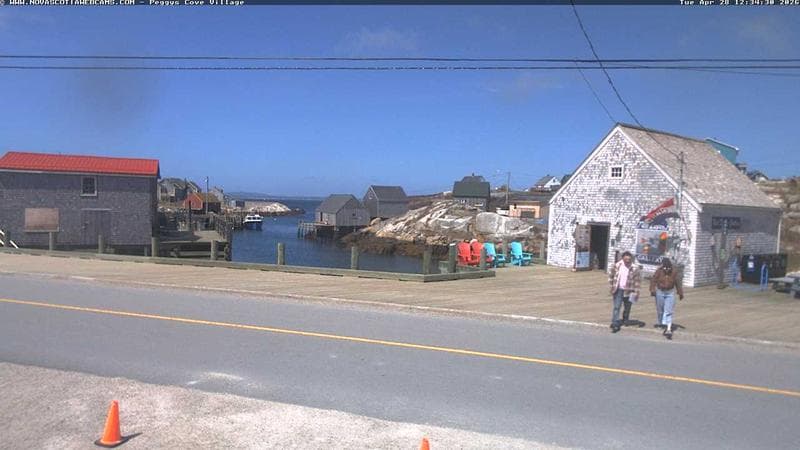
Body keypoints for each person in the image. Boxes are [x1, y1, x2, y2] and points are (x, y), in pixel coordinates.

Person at [650, 258, 684, 340]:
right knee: (660, 309)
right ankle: (661, 323)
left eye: (668, 268)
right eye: (665, 268)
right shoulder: (659, 271)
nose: (667, 269)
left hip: (670, 292)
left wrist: (680, 293)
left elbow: (678, 283)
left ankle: (668, 329)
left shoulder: (674, 271)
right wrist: (652, 290)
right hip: (660, 292)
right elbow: (653, 280)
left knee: (668, 310)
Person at [608, 251, 641, 333]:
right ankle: (615, 323)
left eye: (629, 259)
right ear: (623, 258)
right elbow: (611, 276)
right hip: (618, 289)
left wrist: (637, 292)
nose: (627, 260)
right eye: (626, 258)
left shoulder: (634, 268)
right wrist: (611, 286)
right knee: (617, 306)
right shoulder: (617, 265)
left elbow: (637, 281)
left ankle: (625, 319)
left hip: (629, 290)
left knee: (627, 307)